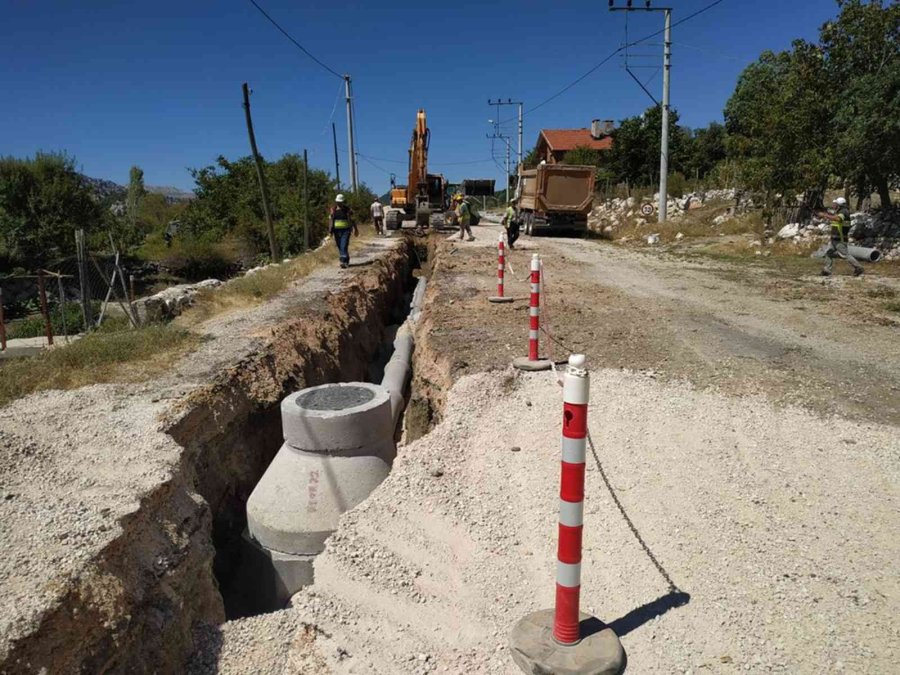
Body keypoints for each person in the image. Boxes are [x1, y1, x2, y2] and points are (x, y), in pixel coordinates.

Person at [818, 197, 863, 277]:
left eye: (835, 204)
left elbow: (838, 219)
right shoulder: (840, 212)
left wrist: (825, 215)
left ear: (839, 205)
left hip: (840, 239)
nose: (833, 205)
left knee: (845, 255)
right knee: (828, 253)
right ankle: (827, 270)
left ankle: (858, 267)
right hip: (835, 239)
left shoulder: (843, 212)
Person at [330, 194, 358, 268]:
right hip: (336, 231)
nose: (339, 203)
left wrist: (356, 229)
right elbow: (331, 220)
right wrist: (330, 231)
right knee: (340, 246)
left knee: (343, 245)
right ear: (336, 201)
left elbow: (353, 219)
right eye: (338, 202)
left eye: (340, 202)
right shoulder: (333, 210)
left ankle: (342, 261)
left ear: (343, 202)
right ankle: (346, 261)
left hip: (346, 231)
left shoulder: (347, 210)